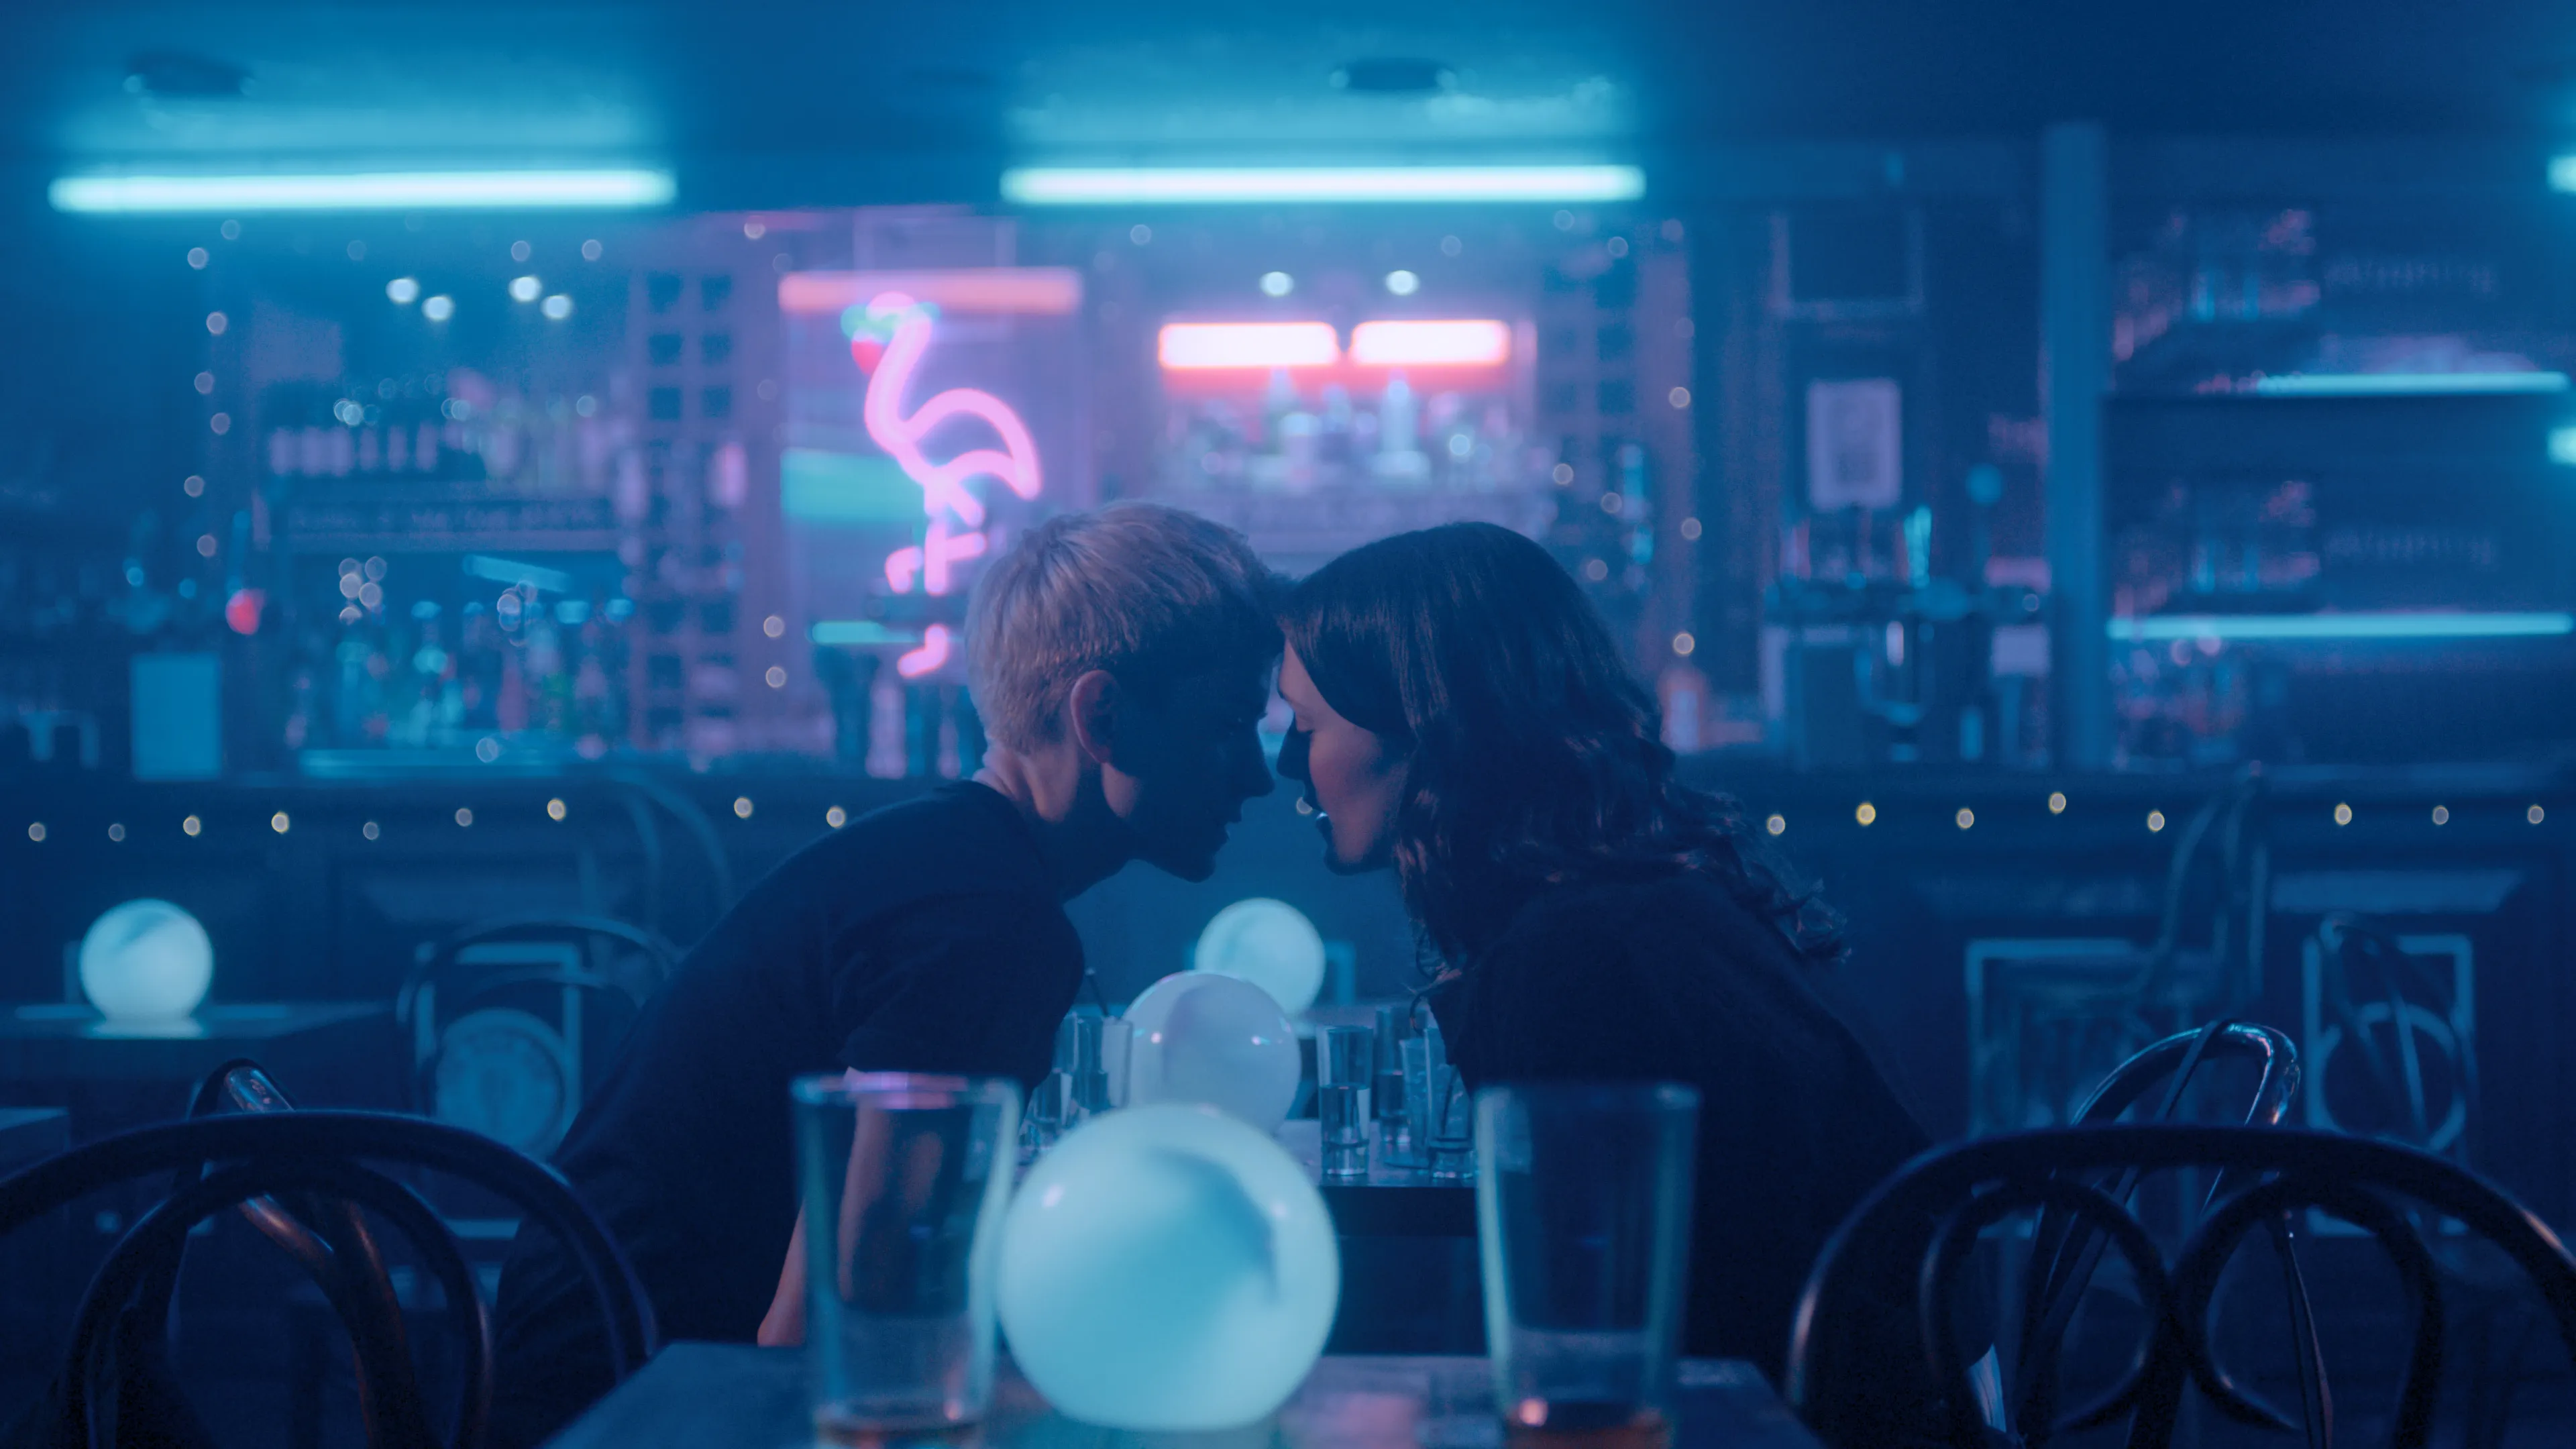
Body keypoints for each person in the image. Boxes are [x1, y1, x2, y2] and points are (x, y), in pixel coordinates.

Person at [488, 502, 1282, 1447]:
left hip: (598, 1365)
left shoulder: (946, 867)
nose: (1258, 776)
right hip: (639, 1404)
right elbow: (838, 1325)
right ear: (1101, 715)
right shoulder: (993, 924)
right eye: (1228, 727)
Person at [1274, 522, 1937, 1426]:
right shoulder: (1637, 905)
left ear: (1425, 726)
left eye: (1305, 728)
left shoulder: (1576, 957)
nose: (1287, 770)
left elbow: (1593, 1331)